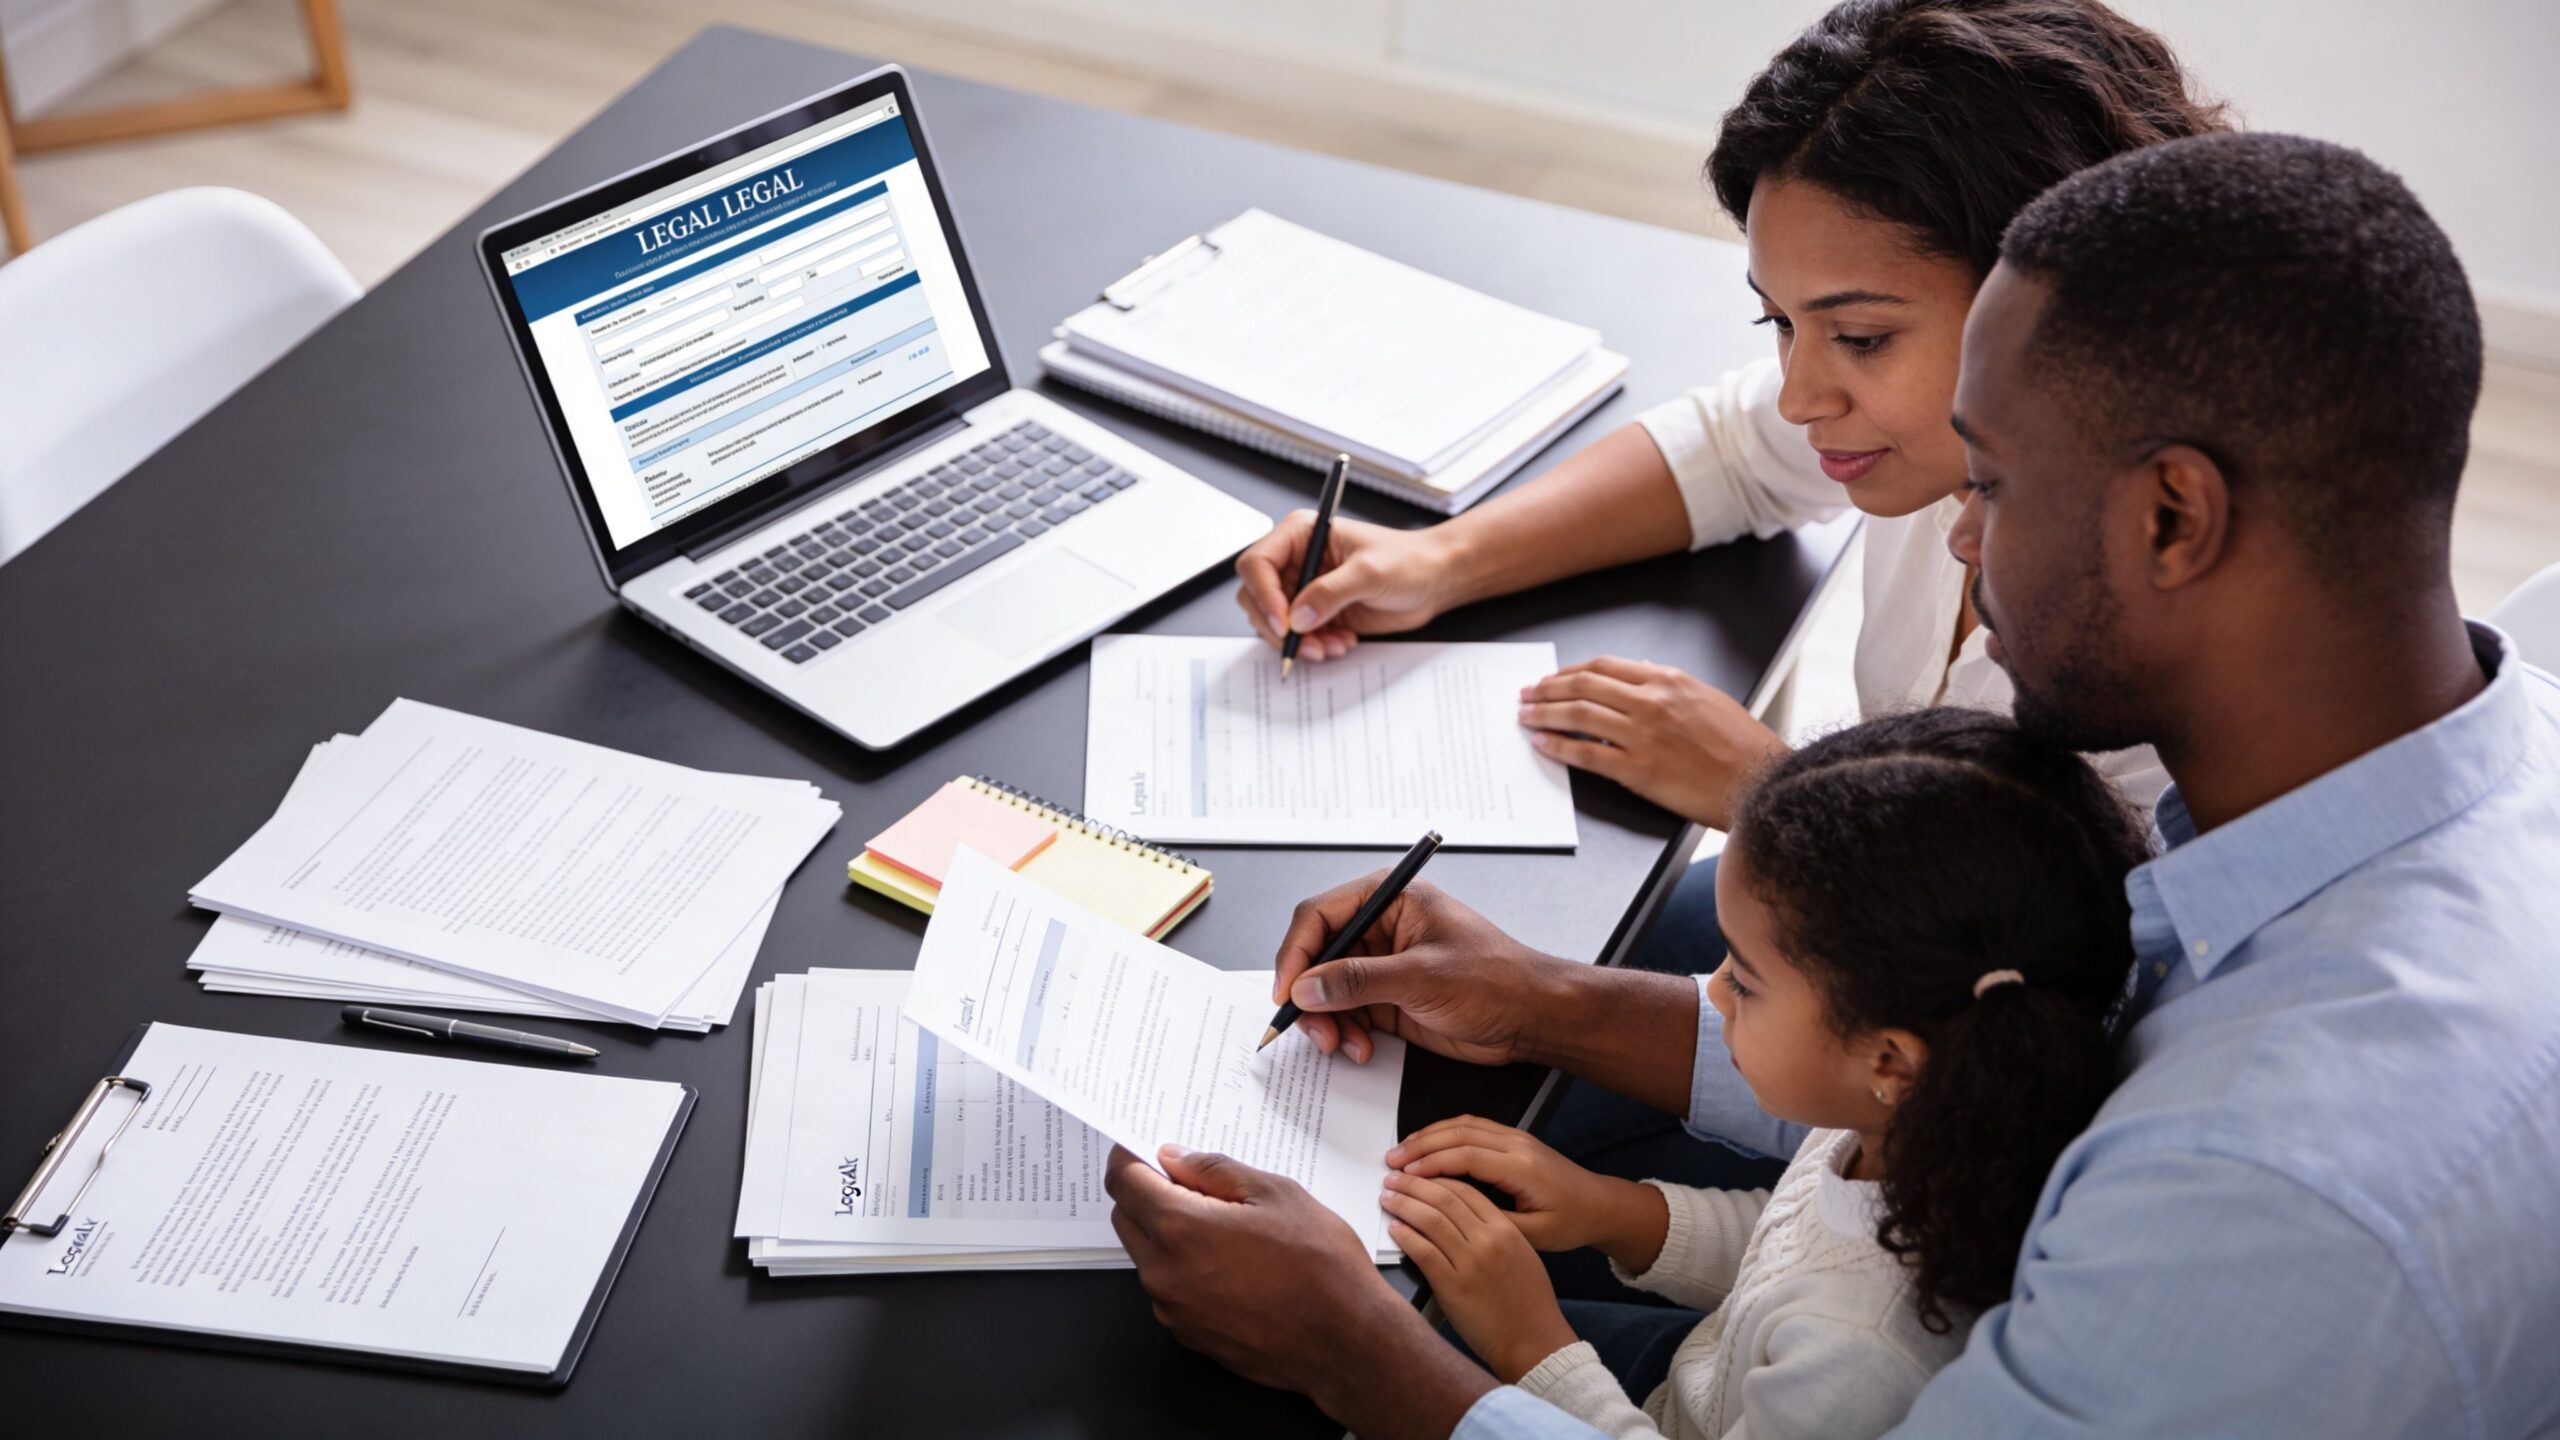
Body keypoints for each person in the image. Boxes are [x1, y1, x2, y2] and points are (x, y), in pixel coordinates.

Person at [1102, 132, 2560, 1439]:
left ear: (2172, 515)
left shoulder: (2266, 1204)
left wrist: (1359, 1362)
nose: (1962, 544)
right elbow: (1950, 1084)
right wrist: (1550, 1004)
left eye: (1986, 488)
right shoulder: (2448, 757)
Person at [1383, 709, 2149, 1439]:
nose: (1712, 990)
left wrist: (1533, 1347)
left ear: (1888, 1058)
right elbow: (1797, 1243)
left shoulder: (1860, 1362)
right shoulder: (1906, 1123)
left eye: (1744, 981)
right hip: (1697, 1375)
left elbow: (1813, 1304)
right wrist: (1614, 1212)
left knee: (1386, 1347)